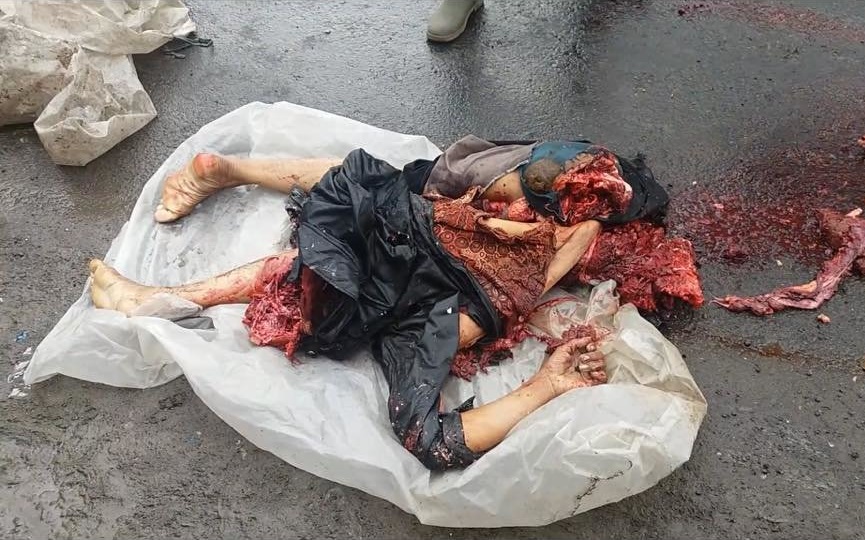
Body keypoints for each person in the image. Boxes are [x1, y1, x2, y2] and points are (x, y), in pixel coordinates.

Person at [89, 142, 624, 470]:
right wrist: (544, 384)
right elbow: (432, 441)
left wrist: (548, 383)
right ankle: (169, 285)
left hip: (434, 239)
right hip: (443, 259)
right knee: (335, 254)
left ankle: (225, 179)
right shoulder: (468, 295)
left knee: (363, 202)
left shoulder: (510, 235)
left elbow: (433, 440)